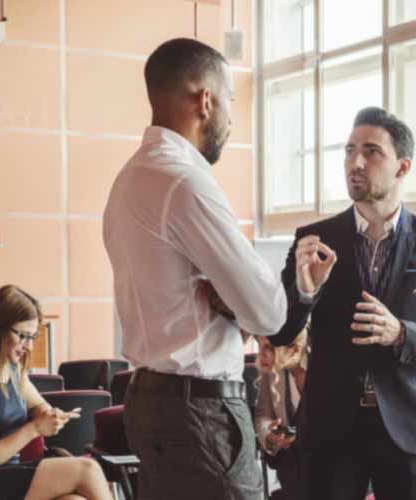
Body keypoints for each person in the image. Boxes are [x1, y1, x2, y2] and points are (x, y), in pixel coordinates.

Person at [102, 37, 287, 500]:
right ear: (205, 100)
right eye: (230, 101)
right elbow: (268, 312)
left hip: (149, 399)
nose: (231, 117)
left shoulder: (128, 181)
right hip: (200, 409)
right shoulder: (186, 183)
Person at [272, 107, 416, 500]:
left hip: (408, 430)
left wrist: (401, 334)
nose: (355, 162)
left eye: (371, 151)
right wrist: (306, 292)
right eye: (348, 151)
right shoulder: (313, 239)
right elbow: (280, 331)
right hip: (329, 429)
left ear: (402, 166)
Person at [0, 285, 112, 500]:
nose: (28, 346)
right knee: (87, 470)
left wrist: (48, 415)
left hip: (5, 478)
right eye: (22, 336)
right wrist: (35, 428)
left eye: (32, 337)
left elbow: (39, 406)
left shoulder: (13, 371)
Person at [255, 330, 309, 500]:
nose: (261, 353)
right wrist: (269, 438)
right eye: (260, 345)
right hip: (291, 462)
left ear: (294, 349)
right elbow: (263, 414)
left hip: (327, 461)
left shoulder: (321, 365)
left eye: (269, 347)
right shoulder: (271, 369)